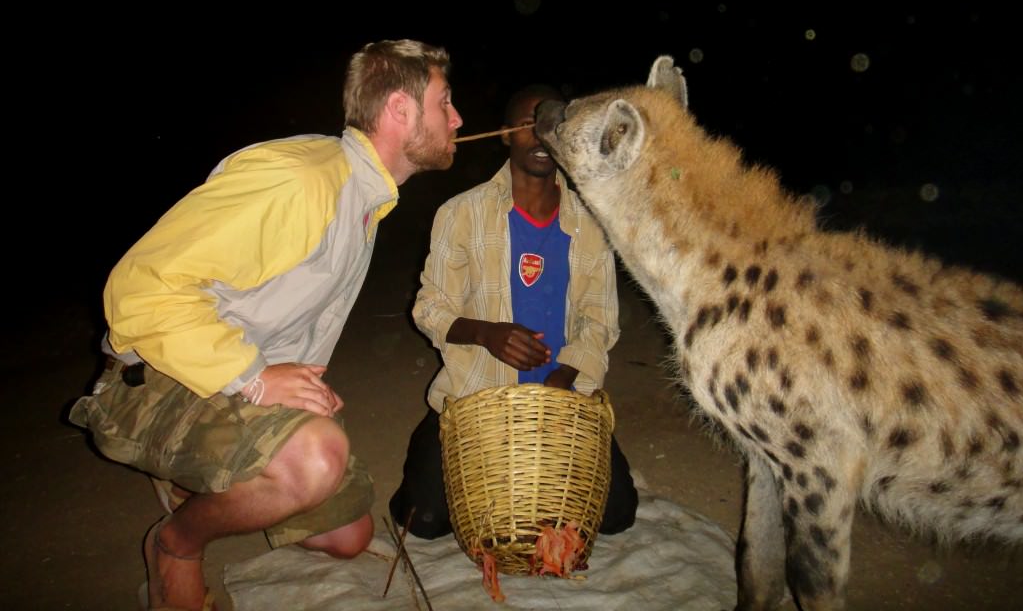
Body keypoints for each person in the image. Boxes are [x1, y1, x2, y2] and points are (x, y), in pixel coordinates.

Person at [69, 39, 463, 611]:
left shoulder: (365, 197)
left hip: (225, 384)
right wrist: (254, 377)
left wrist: (284, 381)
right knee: (314, 461)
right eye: (445, 102)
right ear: (401, 111)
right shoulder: (301, 180)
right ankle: (174, 544)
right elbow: (138, 289)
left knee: (347, 539)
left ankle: (199, 482)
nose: (457, 119)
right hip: (152, 380)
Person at [389, 83, 639, 540]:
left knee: (617, 515)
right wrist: (486, 333)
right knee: (423, 519)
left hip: (561, 401)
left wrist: (565, 378)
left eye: (554, 125)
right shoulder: (461, 213)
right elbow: (429, 307)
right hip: (476, 397)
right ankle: (428, 454)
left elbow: (599, 320)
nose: (542, 136)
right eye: (529, 123)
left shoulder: (591, 222)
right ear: (506, 134)